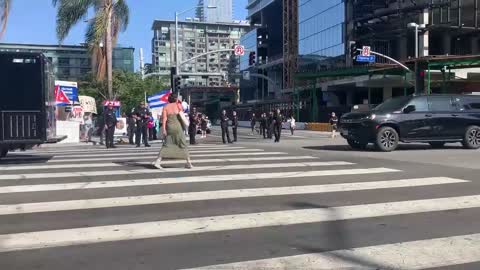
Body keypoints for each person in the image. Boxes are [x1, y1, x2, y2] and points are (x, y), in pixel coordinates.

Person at [153, 93, 193, 169]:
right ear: (176, 99)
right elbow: (182, 116)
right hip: (178, 127)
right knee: (182, 143)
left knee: (166, 144)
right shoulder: (179, 105)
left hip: (169, 127)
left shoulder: (165, 107)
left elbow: (164, 119)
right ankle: (189, 162)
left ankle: (158, 161)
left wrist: (164, 129)